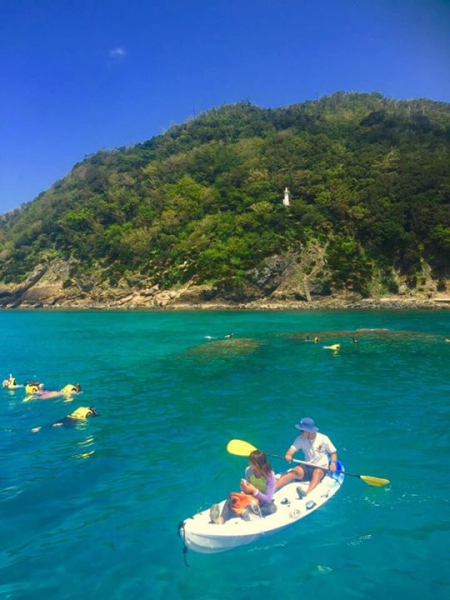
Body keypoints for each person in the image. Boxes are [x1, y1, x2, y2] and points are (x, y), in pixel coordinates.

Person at [210, 450, 277, 524]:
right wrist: (244, 488)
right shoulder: (248, 471)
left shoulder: (270, 476)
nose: (249, 463)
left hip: (262, 501)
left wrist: (255, 491)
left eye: (251, 462)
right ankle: (221, 519)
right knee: (232, 497)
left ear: (257, 465)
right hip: (251, 498)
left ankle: (246, 512)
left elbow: (268, 499)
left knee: (272, 508)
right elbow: (247, 490)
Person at [276, 417, 338, 495]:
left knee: (317, 473)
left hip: (321, 467)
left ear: (310, 431)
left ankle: (307, 493)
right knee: (293, 472)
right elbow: (291, 450)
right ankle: (272, 489)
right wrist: (288, 455)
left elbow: (333, 453)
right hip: (307, 466)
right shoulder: (300, 439)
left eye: (302, 430)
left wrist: (333, 463)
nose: (300, 432)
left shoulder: (323, 438)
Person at [31, 406, 99, 432]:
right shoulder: (89, 413)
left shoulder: (81, 407)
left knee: (54, 424)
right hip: (72, 420)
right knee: (63, 426)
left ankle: (39, 428)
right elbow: (95, 416)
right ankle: (40, 429)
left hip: (67, 417)